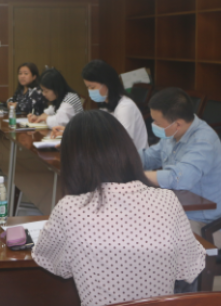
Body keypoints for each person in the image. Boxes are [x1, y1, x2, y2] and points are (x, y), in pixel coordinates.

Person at [32, 110, 205, 306]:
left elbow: (54, 263)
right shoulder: (167, 200)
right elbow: (188, 268)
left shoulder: (69, 209)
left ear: (72, 160)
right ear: (126, 150)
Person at [141, 87, 221, 244]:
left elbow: (178, 178)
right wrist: (116, 161)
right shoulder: (172, 133)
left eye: (157, 122)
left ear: (177, 124)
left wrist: (135, 174)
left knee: (150, 240)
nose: (154, 125)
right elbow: (149, 157)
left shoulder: (204, 142)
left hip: (201, 220)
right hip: (175, 207)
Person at [82, 60, 148, 150]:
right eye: (88, 87)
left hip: (131, 156)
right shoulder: (105, 104)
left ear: (107, 83)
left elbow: (121, 142)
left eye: (92, 87)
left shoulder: (125, 107)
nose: (90, 91)